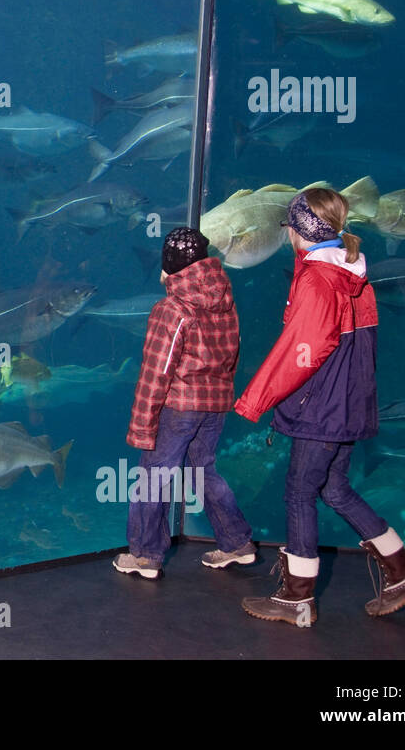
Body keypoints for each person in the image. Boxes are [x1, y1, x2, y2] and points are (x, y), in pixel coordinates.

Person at [234, 188, 405, 626]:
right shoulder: (351, 272)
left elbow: (302, 349)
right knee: (335, 489)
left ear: (298, 232)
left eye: (289, 227)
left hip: (321, 407)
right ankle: (404, 572)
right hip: (348, 402)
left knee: (299, 493)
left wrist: (255, 400)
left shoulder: (317, 279)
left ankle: (296, 599)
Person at [114, 227, 255, 580]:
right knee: (202, 470)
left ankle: (145, 554)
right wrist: (223, 392)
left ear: (170, 267)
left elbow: (155, 373)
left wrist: (142, 427)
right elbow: (234, 352)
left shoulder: (171, 308)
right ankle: (236, 542)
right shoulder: (225, 299)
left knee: (154, 476)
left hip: (179, 405)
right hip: (215, 403)